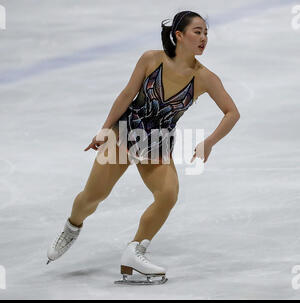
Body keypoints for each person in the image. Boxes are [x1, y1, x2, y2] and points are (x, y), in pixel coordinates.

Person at [46, 10, 240, 284]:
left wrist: (209, 142)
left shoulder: (205, 78)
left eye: (206, 33)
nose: (204, 38)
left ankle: (135, 251)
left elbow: (232, 112)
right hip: (123, 135)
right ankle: (72, 226)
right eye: (198, 32)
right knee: (92, 197)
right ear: (179, 35)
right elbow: (127, 94)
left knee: (168, 194)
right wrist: (104, 129)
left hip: (158, 146)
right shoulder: (151, 59)